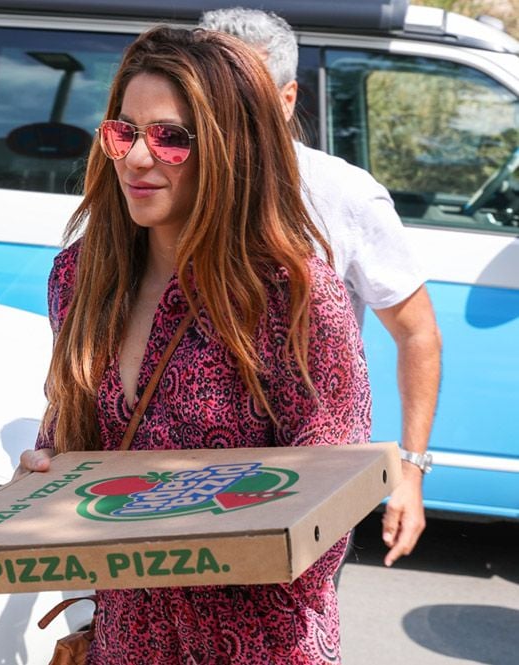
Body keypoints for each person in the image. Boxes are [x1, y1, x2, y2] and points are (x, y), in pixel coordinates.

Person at [19, 25, 371, 664]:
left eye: (171, 138)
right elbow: (75, 441)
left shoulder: (294, 296)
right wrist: (44, 473)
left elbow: (329, 503)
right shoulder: (77, 277)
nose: (137, 158)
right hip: (125, 639)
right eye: (124, 131)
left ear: (232, 149)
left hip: (259, 644)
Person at [199, 7, 443, 568]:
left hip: (300, 490)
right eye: (207, 93)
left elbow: (418, 334)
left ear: (286, 102)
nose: (222, 115)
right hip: (174, 487)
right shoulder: (159, 182)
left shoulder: (343, 195)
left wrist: (410, 470)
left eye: (244, 95)